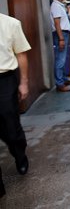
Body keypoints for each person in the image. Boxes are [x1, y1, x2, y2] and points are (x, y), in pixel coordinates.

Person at [0, 13, 31, 198]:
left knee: (10, 127)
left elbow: (21, 54)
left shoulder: (11, 24)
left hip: (4, 80)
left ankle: (19, 152)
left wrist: (24, 82)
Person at [50, 0, 70, 92]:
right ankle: (59, 83)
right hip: (61, 34)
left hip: (64, 33)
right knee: (60, 59)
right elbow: (57, 23)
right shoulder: (55, 6)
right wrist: (61, 39)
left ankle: (63, 79)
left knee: (63, 58)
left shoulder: (60, 5)